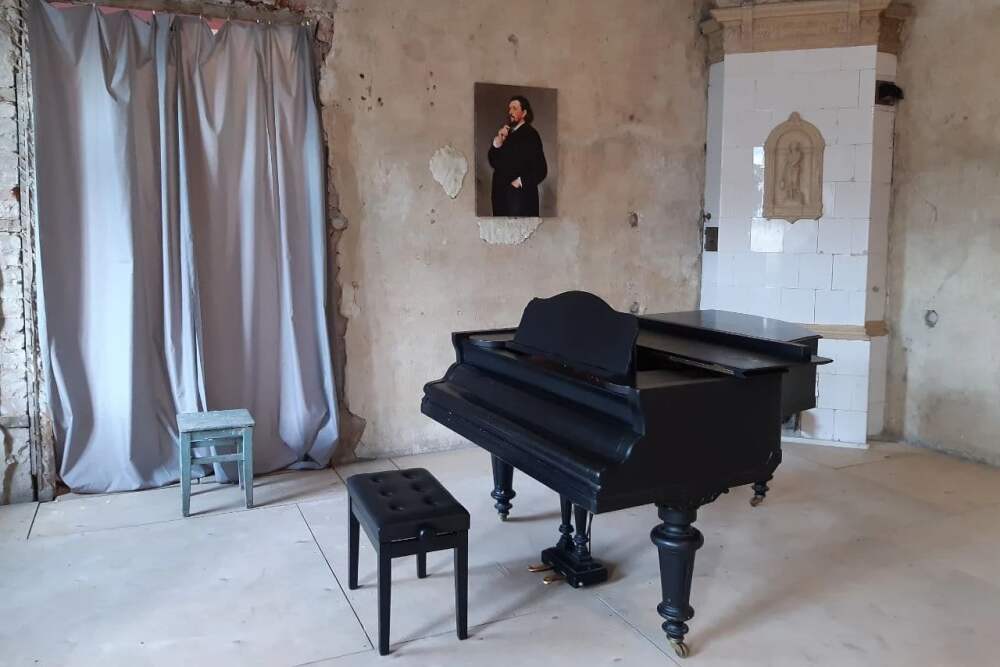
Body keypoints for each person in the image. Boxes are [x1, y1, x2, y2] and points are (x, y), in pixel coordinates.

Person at [488, 95, 548, 216]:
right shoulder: (506, 134)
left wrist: (519, 182)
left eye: (514, 108)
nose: (510, 112)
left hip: (520, 200)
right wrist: (498, 143)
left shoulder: (531, 135)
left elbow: (541, 170)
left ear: (524, 113)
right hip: (501, 200)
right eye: (509, 108)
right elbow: (494, 163)